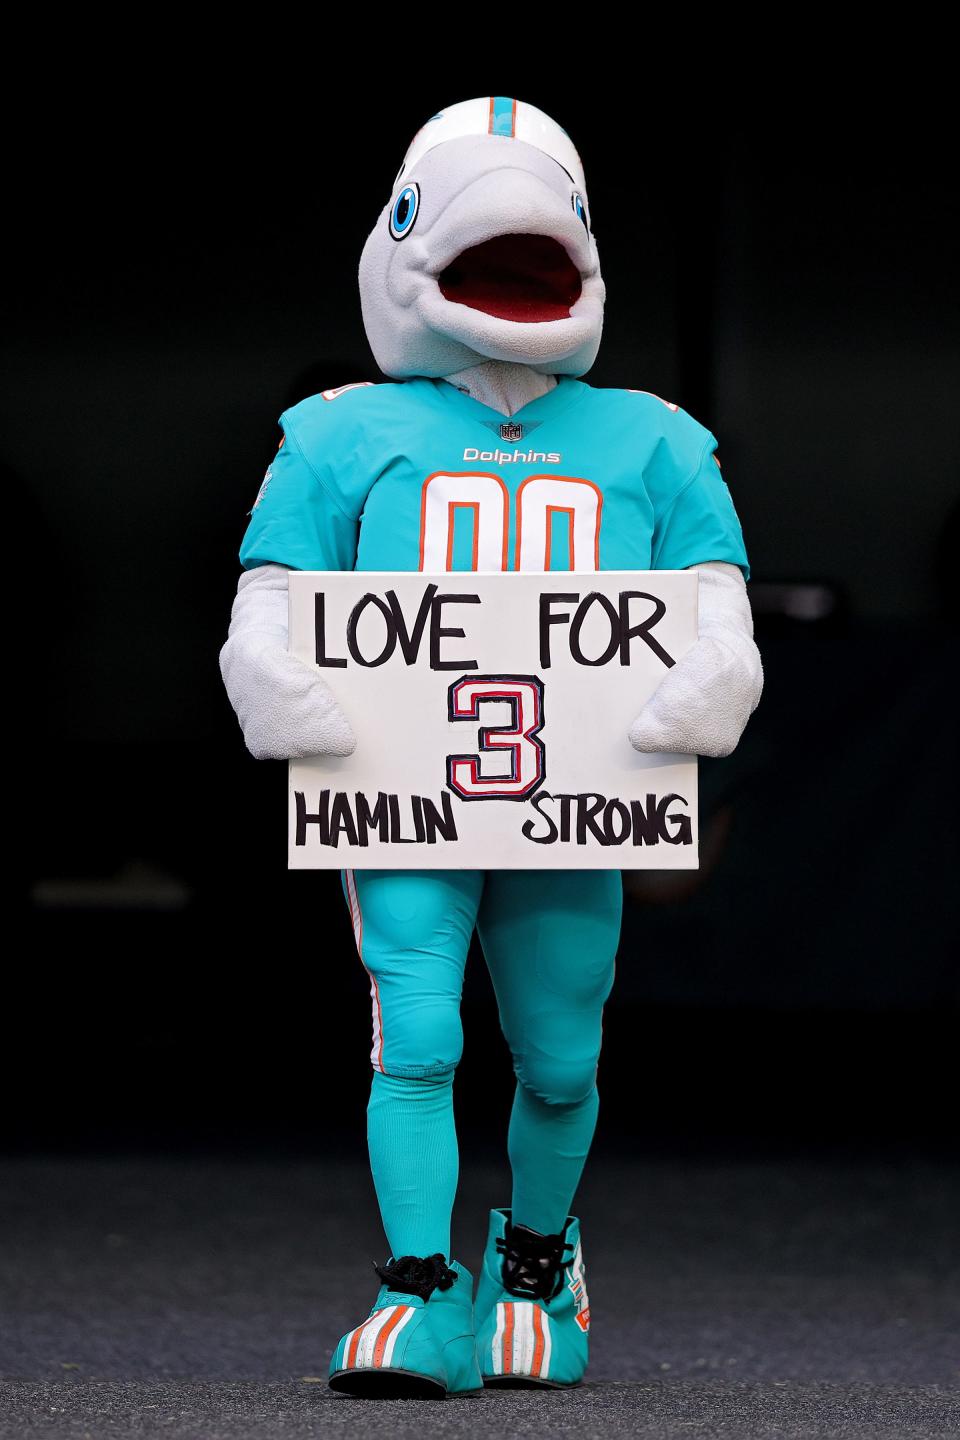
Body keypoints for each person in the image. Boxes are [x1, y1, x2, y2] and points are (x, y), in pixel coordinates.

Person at [220, 96, 763, 1397]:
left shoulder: (658, 439)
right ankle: (418, 1284)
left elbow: (715, 602)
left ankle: (533, 1259)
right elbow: (272, 590)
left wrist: (712, 681)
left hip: (572, 789)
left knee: (561, 1050)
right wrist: (274, 675)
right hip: (409, 776)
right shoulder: (339, 432)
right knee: (413, 1032)